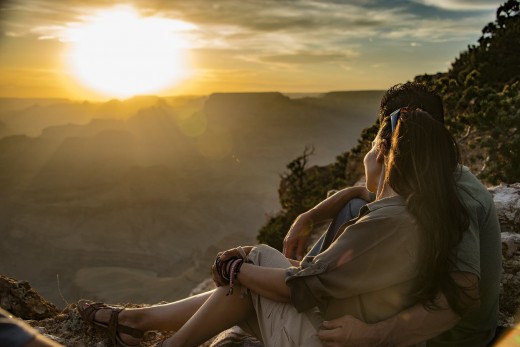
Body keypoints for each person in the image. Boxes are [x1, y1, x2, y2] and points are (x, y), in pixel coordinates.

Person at [77, 104, 473, 347]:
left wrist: (237, 268)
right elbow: (363, 201)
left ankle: (154, 334)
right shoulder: (418, 210)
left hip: (336, 342)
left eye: (372, 146)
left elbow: (299, 287)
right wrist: (308, 217)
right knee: (259, 259)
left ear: (387, 156)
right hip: (349, 329)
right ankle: (139, 323)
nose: (366, 155)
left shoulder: (384, 224)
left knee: (251, 270)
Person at [284, 82, 502, 346]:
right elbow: (361, 194)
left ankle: (304, 289)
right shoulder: (420, 173)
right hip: (422, 306)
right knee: (355, 210)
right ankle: (308, 280)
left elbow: (464, 294)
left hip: (450, 339)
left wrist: (370, 335)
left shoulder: (457, 194)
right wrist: (308, 218)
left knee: (366, 220)